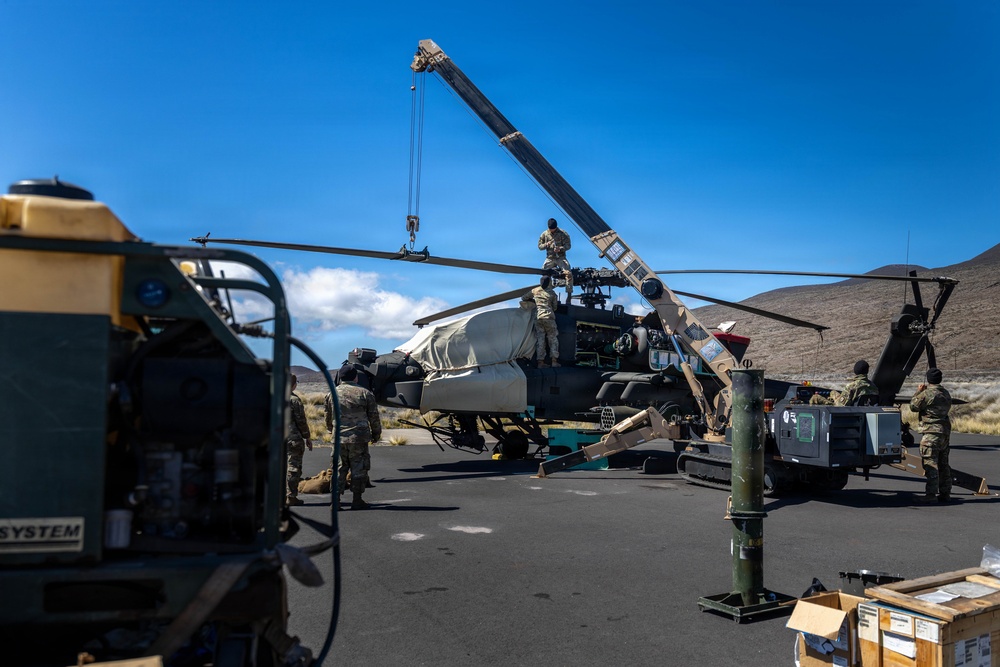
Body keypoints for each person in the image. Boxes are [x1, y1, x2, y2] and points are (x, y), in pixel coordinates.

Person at [329, 364, 381, 510]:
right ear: (355, 377)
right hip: (359, 438)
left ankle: (336, 501)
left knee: (338, 469)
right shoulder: (365, 393)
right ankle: (357, 500)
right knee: (359, 469)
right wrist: (376, 434)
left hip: (338, 438)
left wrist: (331, 430)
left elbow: (328, 416)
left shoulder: (332, 393)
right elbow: (374, 417)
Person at [910, 368, 953, 503]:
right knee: (943, 464)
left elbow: (913, 406)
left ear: (928, 379)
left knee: (930, 464)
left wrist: (919, 391)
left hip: (931, 433)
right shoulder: (945, 393)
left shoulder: (927, 394)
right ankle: (945, 493)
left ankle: (931, 494)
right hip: (944, 432)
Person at [521, 275, 560, 368]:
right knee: (552, 338)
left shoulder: (535, 290)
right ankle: (554, 361)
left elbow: (523, 298)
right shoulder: (552, 293)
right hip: (548, 318)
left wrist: (534, 301)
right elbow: (555, 307)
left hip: (538, 318)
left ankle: (540, 362)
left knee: (540, 339)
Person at [285, 374, 312, 507]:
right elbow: (301, 421)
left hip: (275, 438)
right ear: (293, 385)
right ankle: (291, 496)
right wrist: (307, 436)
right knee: (293, 468)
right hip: (293, 438)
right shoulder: (294, 400)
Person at [538, 217, 573, 296]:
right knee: (544, 273)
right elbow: (540, 246)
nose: (552, 230)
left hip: (560, 258)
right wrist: (546, 245)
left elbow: (568, 245)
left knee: (568, 273)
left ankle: (569, 293)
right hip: (550, 258)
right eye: (551, 229)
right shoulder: (544, 234)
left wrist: (560, 249)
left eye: (553, 229)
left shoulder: (563, 233)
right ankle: (547, 293)